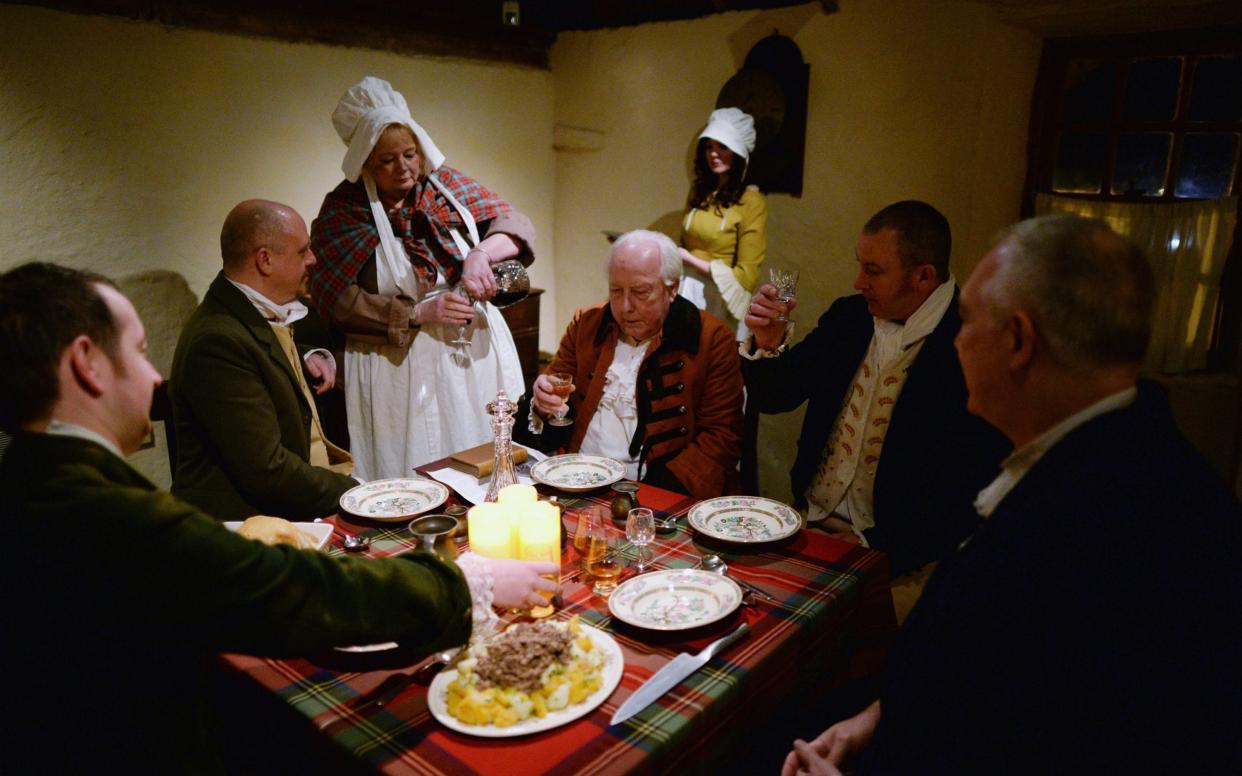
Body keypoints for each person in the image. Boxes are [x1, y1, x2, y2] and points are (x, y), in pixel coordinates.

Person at [0, 263, 558, 772]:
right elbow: (297, 589)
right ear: (85, 364)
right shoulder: (95, 511)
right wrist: (466, 583)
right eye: (140, 352)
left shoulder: (31, 478)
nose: (152, 380)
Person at [784, 215, 1242, 775]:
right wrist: (877, 718)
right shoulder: (1096, 449)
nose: (956, 338)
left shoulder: (1121, 529)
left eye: (970, 320)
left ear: (1019, 341)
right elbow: (978, 675)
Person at [744, 201, 1009, 589]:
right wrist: (768, 345)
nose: (857, 281)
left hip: (906, 559)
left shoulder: (970, 344)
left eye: (873, 270)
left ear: (923, 277)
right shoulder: (849, 317)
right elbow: (776, 396)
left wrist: (879, 545)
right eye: (860, 265)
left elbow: (971, 487)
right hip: (808, 522)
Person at [309, 76, 532, 479]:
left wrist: (480, 255)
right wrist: (417, 313)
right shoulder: (344, 210)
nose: (404, 168)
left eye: (410, 154)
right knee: (407, 462)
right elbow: (337, 302)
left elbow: (514, 223)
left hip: (466, 356)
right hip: (395, 362)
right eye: (387, 161)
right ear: (364, 163)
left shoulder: (445, 188)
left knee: (474, 451)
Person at [518, 230, 743, 499]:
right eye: (616, 291)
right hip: (577, 480)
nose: (625, 307)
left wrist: (655, 496)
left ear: (672, 289)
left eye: (640, 292)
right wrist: (542, 402)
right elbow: (555, 392)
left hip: (658, 490)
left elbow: (720, 437)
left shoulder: (711, 338)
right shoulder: (586, 324)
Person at [170, 199, 357, 521]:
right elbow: (266, 470)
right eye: (302, 251)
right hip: (248, 522)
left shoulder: (243, 313)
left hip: (291, 501)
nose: (312, 260)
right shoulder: (216, 341)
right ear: (265, 260)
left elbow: (260, 352)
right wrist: (354, 493)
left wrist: (305, 355)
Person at [678, 107, 767, 338]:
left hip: (718, 302)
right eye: (709, 146)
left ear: (738, 152)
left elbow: (746, 276)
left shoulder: (751, 200)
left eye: (723, 147)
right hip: (686, 292)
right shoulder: (701, 193)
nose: (713, 154)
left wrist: (688, 259)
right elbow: (683, 246)